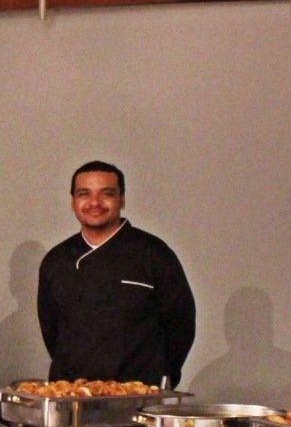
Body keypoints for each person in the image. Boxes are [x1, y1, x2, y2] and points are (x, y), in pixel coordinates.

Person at [37, 160, 195, 387]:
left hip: (138, 396)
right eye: (84, 194)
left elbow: (181, 324)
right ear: (72, 202)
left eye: (107, 194)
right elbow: (51, 330)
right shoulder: (56, 261)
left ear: (121, 199)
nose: (94, 202)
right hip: (71, 395)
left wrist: (160, 376)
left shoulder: (154, 254)